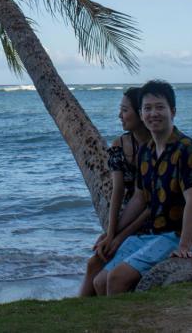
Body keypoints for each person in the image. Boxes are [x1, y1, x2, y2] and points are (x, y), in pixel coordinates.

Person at [92, 79, 192, 296]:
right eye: (147, 108)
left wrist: (184, 246)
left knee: (117, 278)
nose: (153, 114)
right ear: (141, 113)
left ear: (172, 111)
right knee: (100, 281)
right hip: (153, 235)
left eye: (159, 107)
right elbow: (139, 198)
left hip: (181, 237)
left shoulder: (186, 149)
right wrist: (112, 234)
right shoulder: (146, 151)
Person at [78, 87, 151, 297]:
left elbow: (151, 203)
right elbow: (117, 192)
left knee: (101, 260)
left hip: (149, 220)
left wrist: (119, 237)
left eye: (125, 110)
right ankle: (81, 310)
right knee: (95, 261)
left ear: (139, 112)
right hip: (127, 216)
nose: (120, 115)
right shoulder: (120, 144)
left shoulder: (156, 146)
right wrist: (111, 233)